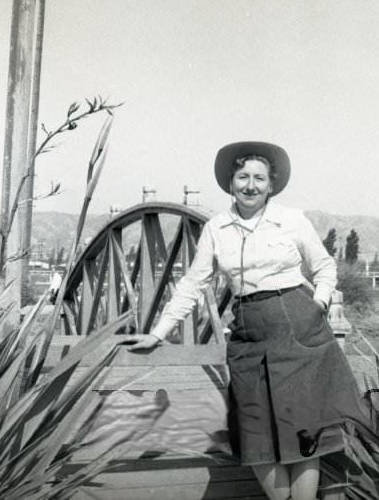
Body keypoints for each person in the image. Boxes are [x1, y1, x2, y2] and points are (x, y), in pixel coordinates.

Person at [122, 141, 363, 500]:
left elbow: (325, 266)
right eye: (243, 176)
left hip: (298, 327)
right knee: (257, 435)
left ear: (271, 184)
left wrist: (318, 303)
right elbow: (192, 284)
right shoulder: (217, 229)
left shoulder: (292, 220)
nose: (251, 185)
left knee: (303, 431)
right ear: (231, 182)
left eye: (259, 178)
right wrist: (157, 334)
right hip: (248, 333)